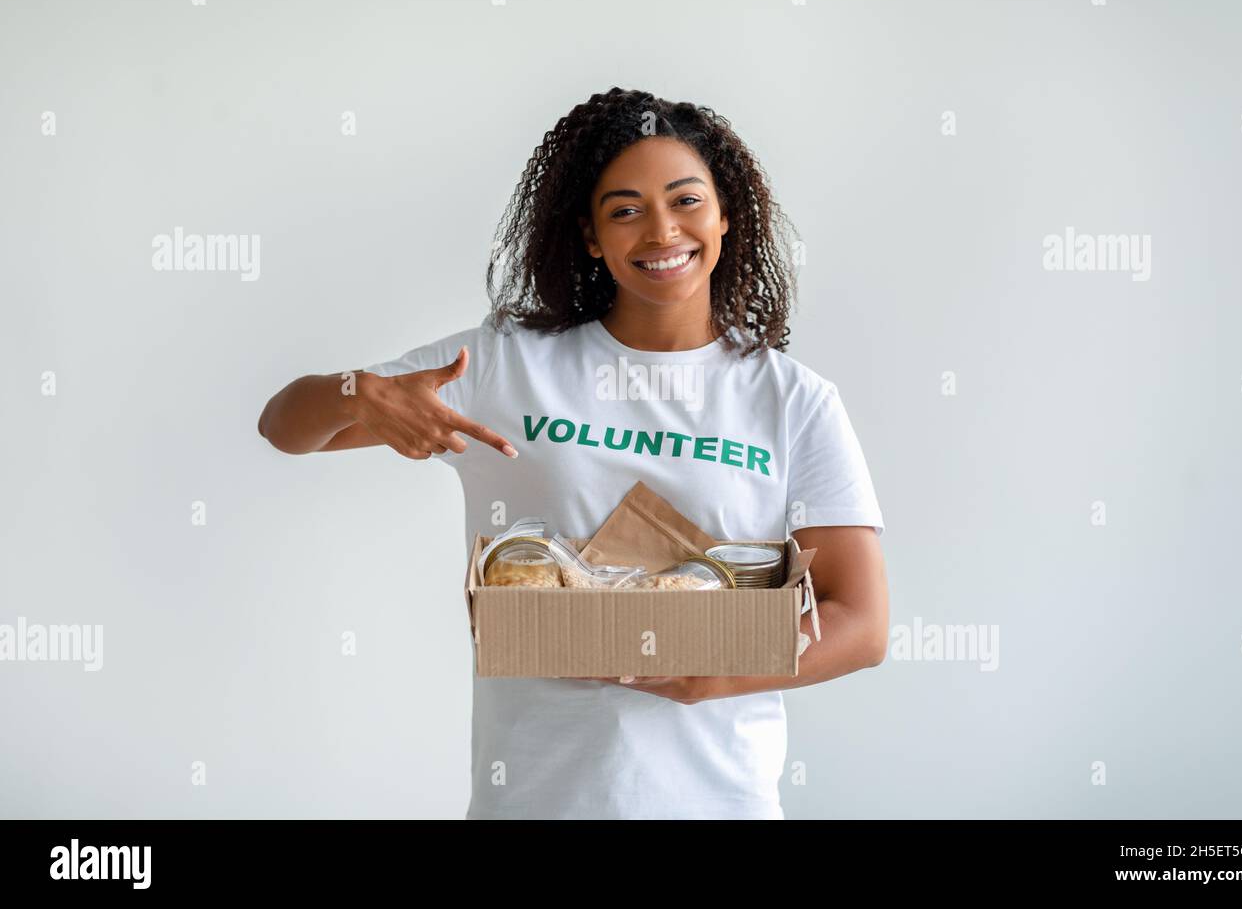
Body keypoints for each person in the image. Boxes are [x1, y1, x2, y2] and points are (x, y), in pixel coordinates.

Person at [257, 86, 890, 819]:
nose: (661, 231)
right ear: (590, 235)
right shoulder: (505, 368)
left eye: (685, 201)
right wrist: (356, 391)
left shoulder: (793, 401)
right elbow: (284, 426)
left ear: (724, 215)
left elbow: (862, 624)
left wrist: (710, 675)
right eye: (625, 210)